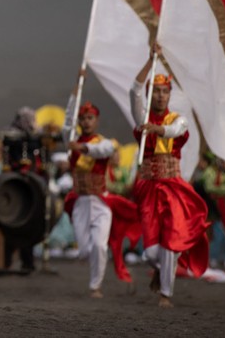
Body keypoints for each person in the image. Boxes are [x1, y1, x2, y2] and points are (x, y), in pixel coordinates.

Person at [130, 44, 209, 307]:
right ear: (151, 94)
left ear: (169, 95)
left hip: (173, 187)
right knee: (152, 252)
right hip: (149, 188)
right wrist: (150, 59)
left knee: (171, 242)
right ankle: (160, 270)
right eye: (157, 92)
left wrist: (156, 129)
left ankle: (166, 294)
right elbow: (133, 91)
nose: (161, 96)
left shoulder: (179, 119)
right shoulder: (142, 117)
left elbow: (175, 131)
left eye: (165, 92)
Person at [62, 77, 141, 298]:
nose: (86, 122)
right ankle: (95, 273)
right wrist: (75, 93)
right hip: (80, 202)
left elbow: (99, 151)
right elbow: (67, 123)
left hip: (101, 202)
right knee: (85, 251)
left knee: (99, 245)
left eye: (90, 118)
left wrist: (82, 147)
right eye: (83, 118)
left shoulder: (105, 143)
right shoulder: (72, 140)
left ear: (96, 120)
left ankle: (95, 286)